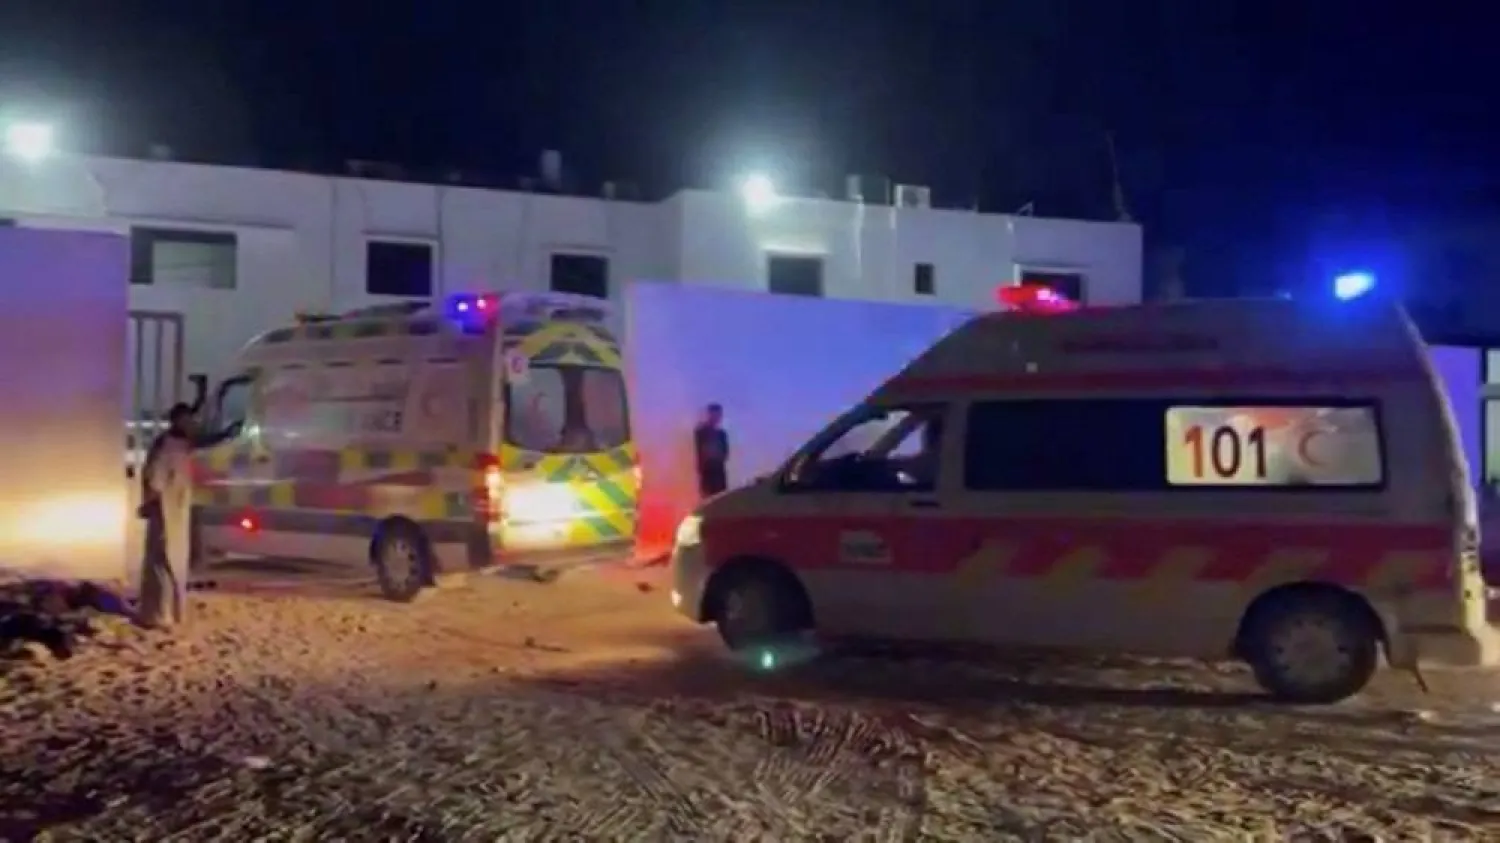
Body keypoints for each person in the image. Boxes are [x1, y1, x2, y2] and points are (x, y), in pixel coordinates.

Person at [136, 403, 196, 629]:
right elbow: (154, 478)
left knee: (174, 561)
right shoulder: (167, 445)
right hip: (164, 511)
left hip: (177, 511)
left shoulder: (184, 446)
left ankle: (170, 612)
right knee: (163, 560)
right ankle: (159, 615)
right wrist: (150, 502)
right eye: (186, 420)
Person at [694, 403, 730, 498]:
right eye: (715, 414)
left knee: (720, 497)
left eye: (719, 415)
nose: (717, 417)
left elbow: (725, 453)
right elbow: (700, 452)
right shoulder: (701, 432)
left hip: (718, 471)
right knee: (709, 498)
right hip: (708, 471)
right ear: (709, 414)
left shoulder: (722, 434)